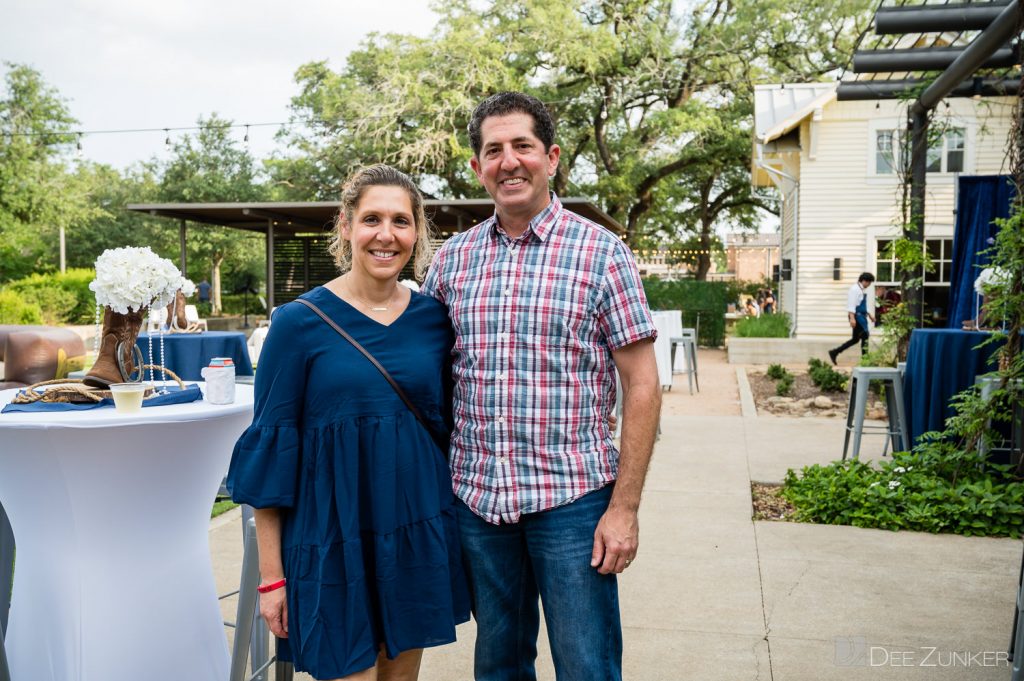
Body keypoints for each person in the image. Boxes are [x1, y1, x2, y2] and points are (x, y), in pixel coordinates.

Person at [420, 91, 661, 681]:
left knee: (587, 666)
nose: (509, 161)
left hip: (573, 502)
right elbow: (424, 372)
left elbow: (643, 384)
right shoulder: (453, 260)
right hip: (480, 500)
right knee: (498, 665)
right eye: (493, 150)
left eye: (522, 146)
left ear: (551, 157)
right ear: (478, 168)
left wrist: (624, 508)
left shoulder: (601, 253)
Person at [226, 164, 470, 681]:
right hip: (332, 539)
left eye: (401, 222)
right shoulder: (297, 324)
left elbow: (450, 425)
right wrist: (272, 578)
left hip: (412, 530)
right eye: (372, 219)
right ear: (345, 225)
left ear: (417, 233)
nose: (386, 235)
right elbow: (272, 452)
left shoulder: (434, 319)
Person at [829, 272, 876, 364]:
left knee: (855, 339)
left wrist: (870, 315)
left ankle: (834, 352)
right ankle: (865, 361)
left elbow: (863, 305)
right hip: (857, 317)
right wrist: (852, 318)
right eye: (869, 283)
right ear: (864, 281)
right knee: (865, 337)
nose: (869, 285)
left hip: (861, 316)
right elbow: (851, 305)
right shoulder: (854, 289)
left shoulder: (861, 289)